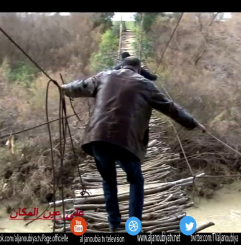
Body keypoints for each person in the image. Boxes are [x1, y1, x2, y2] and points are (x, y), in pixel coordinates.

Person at [61, 57, 205, 232]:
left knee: (108, 180)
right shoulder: (146, 85)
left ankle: (114, 223)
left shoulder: (104, 76)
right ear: (138, 70)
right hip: (126, 141)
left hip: (97, 137)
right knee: (136, 181)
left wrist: (64, 89)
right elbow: (170, 108)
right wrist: (193, 123)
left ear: (122, 66)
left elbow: (79, 87)